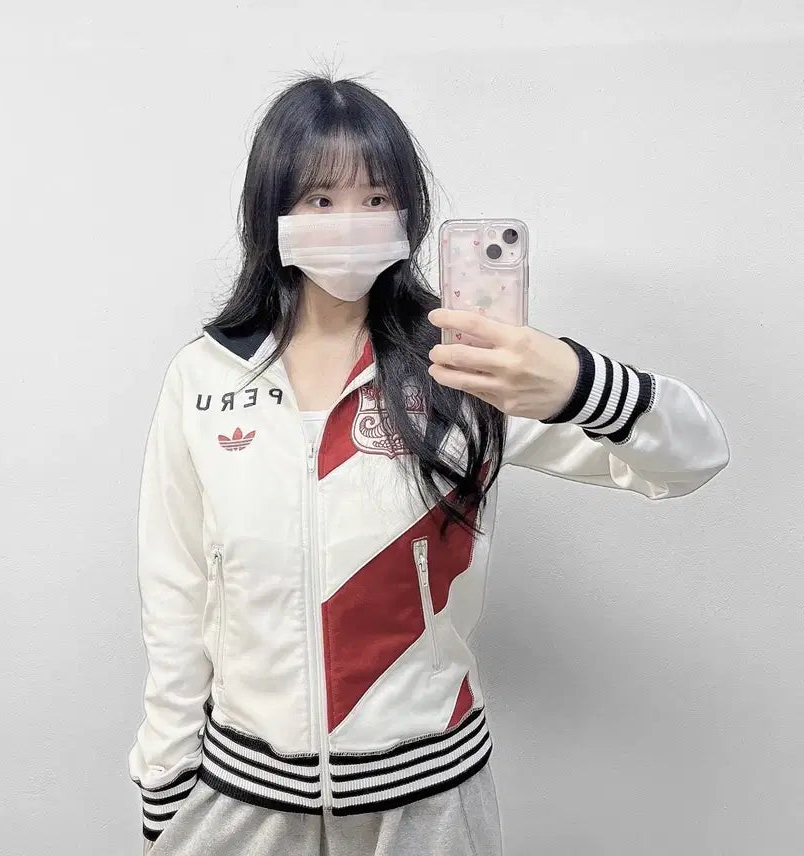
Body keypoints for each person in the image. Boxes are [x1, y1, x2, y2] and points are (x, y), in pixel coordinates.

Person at [126, 74, 730, 856]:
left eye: (376, 198)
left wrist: (579, 383)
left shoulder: (464, 366)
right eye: (320, 199)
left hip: (429, 804)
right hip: (242, 796)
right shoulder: (205, 377)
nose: (350, 222)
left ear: (409, 213)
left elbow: (692, 459)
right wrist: (166, 779)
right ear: (271, 210)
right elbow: (175, 592)